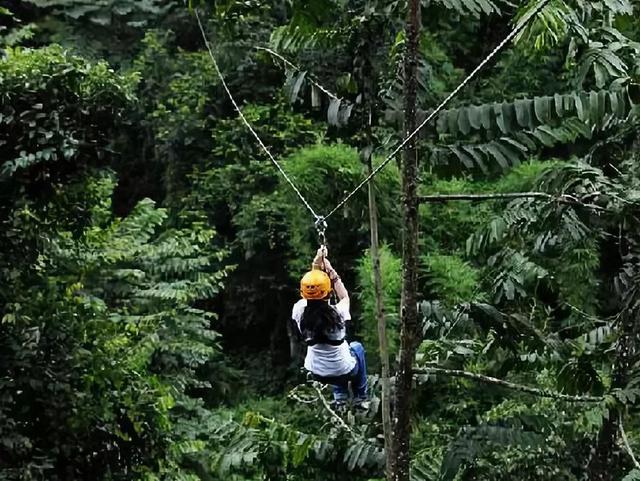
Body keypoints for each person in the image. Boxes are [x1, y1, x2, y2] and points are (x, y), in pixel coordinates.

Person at [291, 247, 368, 407]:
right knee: (356, 348)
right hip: (344, 371)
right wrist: (330, 270)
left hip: (317, 373)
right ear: (328, 291)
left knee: (337, 353)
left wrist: (316, 263)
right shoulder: (337, 313)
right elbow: (344, 296)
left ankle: (340, 396)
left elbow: (313, 291)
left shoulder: (299, 311)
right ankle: (361, 396)